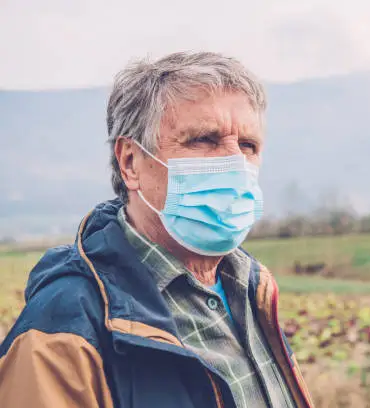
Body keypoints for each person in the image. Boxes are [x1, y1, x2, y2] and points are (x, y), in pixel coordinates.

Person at [0, 51, 313, 408]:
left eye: (248, 146)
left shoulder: (251, 290)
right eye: (204, 140)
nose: (235, 164)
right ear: (130, 162)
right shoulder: (62, 333)